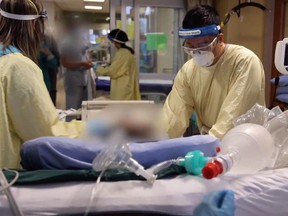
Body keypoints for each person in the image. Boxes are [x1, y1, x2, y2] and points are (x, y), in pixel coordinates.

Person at [0, 0, 85, 169]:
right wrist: (89, 129)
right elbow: (45, 134)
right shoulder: (18, 67)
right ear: (33, 24)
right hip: (8, 174)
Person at [163, 5, 265, 139]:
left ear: (220, 39)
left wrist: (206, 145)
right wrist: (158, 141)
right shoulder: (188, 71)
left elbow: (231, 119)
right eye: (191, 47)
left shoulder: (244, 62)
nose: (198, 52)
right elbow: (173, 116)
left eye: (203, 46)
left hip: (244, 142)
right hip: (209, 142)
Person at [95, 29, 141, 100]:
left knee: (120, 108)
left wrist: (98, 69)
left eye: (112, 41)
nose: (112, 43)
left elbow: (113, 71)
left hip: (122, 88)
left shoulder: (122, 53)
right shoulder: (127, 52)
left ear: (116, 41)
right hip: (126, 86)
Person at [60, 20, 93, 112]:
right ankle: (70, 125)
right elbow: (65, 63)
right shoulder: (66, 43)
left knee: (85, 107)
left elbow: (89, 51)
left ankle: (83, 126)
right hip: (73, 79)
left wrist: (89, 60)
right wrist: (82, 64)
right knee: (72, 107)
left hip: (84, 78)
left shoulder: (83, 40)